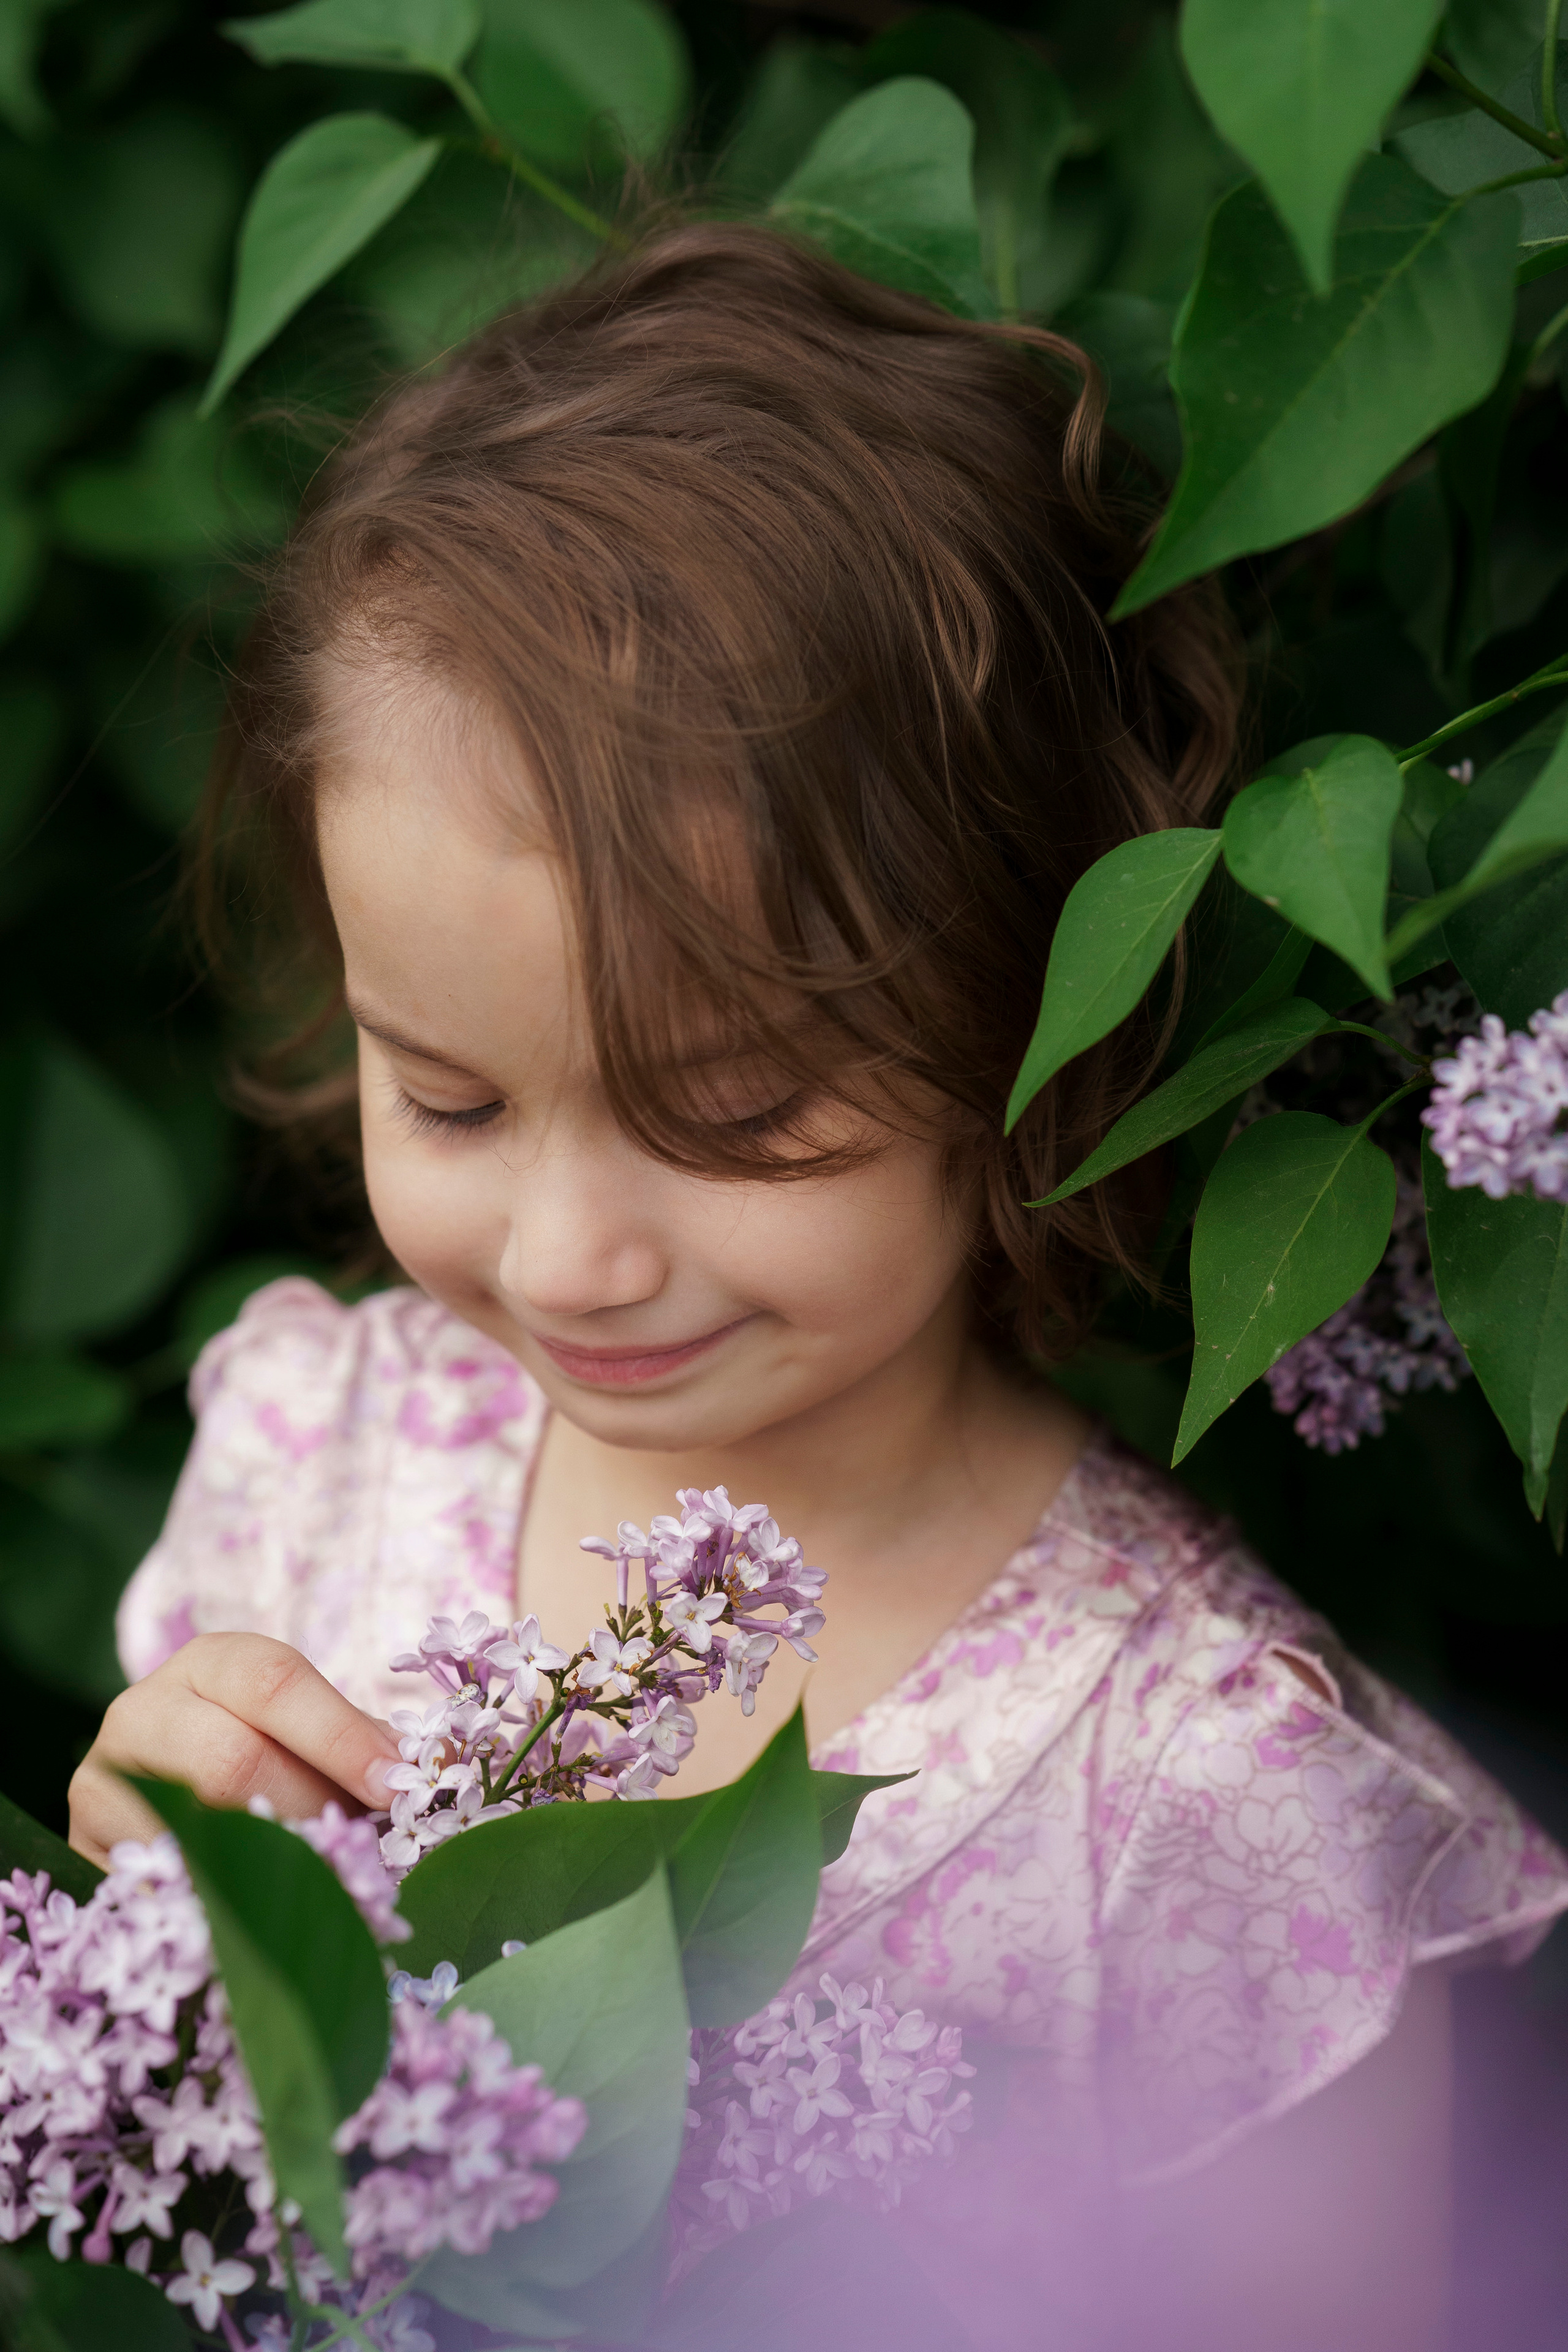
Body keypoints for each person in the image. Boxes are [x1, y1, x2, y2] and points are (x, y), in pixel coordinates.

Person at [71, 224, 1567, 2349]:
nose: (574, 1257)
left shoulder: (1208, 1830)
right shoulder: (329, 1450)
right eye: (457, 1099)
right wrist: (174, 1884)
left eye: (729, 1109)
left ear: (1025, 1012)